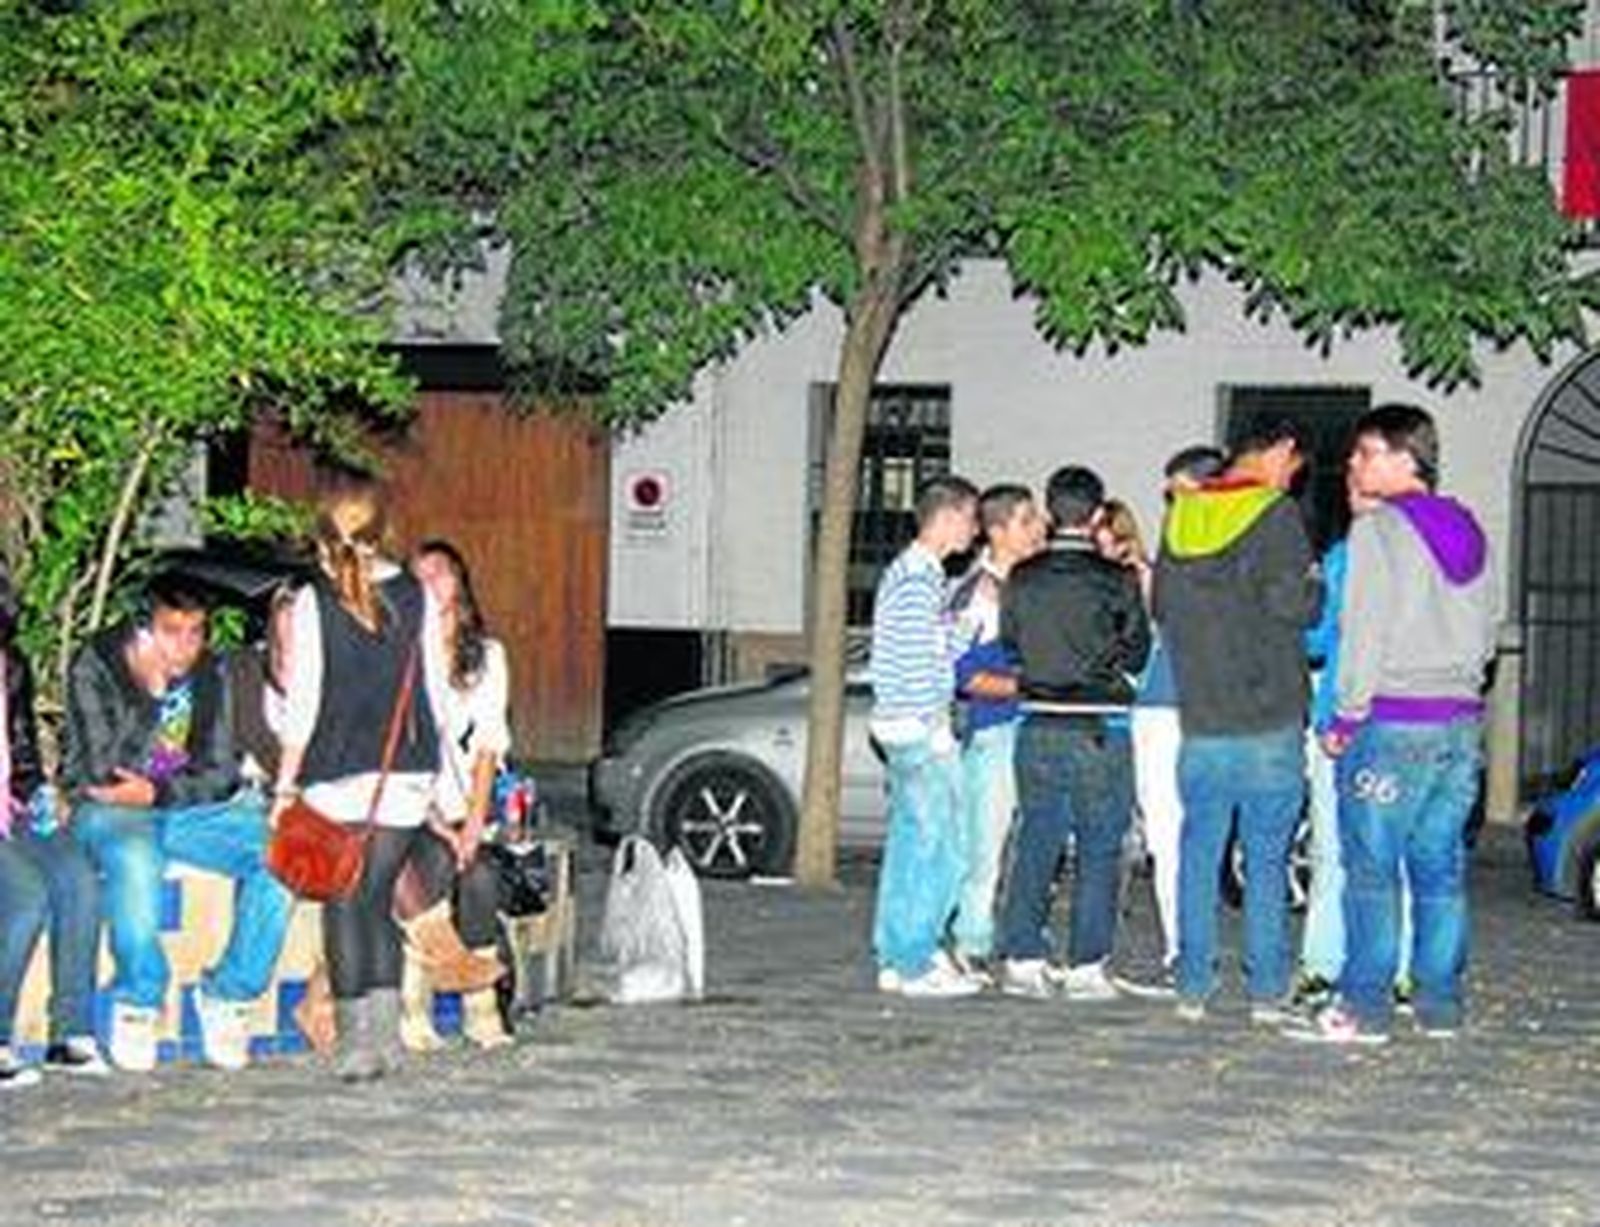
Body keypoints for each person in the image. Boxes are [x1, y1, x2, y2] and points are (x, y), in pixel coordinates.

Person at [1294, 404, 1494, 1045]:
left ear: (1407, 458)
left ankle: (1365, 1007)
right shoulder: (1470, 529)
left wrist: (1346, 718)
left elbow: (1364, 634)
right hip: (1460, 724)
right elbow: (1488, 635)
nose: (1352, 464)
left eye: (1366, 452)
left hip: (1392, 723)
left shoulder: (1379, 533)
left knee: (1372, 872)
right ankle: (1439, 1004)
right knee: (1439, 869)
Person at [67, 573, 292, 1072]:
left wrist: (160, 791)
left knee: (282, 855)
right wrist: (151, 695)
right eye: (172, 631)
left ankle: (229, 992)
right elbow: (99, 771)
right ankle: (139, 1001)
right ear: (143, 628)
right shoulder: (98, 662)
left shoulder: (212, 671)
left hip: (179, 808)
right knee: (136, 855)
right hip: (110, 812)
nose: (186, 647)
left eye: (196, 632)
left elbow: (218, 772)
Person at [271, 484, 450, 1080]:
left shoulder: (311, 603)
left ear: (323, 537)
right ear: (383, 533)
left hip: (337, 771)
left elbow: (304, 704)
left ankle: (357, 1046)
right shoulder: (416, 595)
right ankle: (388, 1037)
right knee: (375, 900)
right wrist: (439, 785)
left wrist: (284, 789)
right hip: (406, 770)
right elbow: (437, 692)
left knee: (345, 905)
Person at [1154, 419, 1322, 1025]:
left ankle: (1194, 984)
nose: (1292, 478)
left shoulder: (1183, 516)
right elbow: (1298, 605)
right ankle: (1267, 989)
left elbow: (1162, 607)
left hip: (1201, 720)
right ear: (1279, 449)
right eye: (1294, 466)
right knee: (1267, 859)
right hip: (1269, 716)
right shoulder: (1276, 516)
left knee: (1199, 852)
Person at [995, 466, 1150, 1000]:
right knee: (1100, 844)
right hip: (1098, 723)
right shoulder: (1117, 578)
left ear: (1050, 508)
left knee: (1037, 838)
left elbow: (1011, 644)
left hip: (1037, 720)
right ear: (1096, 512)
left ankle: (1022, 957)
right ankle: (1086, 965)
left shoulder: (1022, 577)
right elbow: (1138, 650)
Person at [870, 474, 983, 999]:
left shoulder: (917, 574)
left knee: (912, 844)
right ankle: (915, 960)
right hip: (919, 727)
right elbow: (918, 667)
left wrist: (963, 626)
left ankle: (898, 954)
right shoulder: (918, 579)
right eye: (971, 517)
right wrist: (935, 726)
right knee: (944, 847)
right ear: (948, 517)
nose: (975, 529)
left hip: (902, 724)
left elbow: (930, 652)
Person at [401, 539, 514, 1051]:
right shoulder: (399, 656)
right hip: (411, 808)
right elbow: (398, 749)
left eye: (439, 572)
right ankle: (412, 1005)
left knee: (483, 873)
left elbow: (490, 745)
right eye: (417, 575)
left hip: (465, 805)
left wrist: (472, 822)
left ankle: (480, 1007)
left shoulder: (488, 657)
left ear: (460, 582)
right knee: (436, 865)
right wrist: (440, 825)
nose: (429, 582)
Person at [0, 573, 105, 1087]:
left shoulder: (10, 666)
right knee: (25, 896)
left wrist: (40, 793)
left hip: (8, 809)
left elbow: (18, 753)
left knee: (78, 876)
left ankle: (71, 1033)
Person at [1127, 448, 1225, 984]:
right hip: (1210, 706)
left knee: (1171, 832)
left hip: (1172, 705)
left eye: (1175, 492)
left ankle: (1186, 954)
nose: (1169, 504)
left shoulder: (1193, 541)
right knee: (1192, 832)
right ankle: (1189, 949)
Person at [944, 484, 1045, 975]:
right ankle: (970, 942)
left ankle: (1005, 936)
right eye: (1028, 521)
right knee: (983, 846)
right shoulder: (980, 594)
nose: (1039, 530)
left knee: (1018, 844)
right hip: (992, 734)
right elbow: (963, 675)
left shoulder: (1023, 585)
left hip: (1021, 730)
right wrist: (1032, 685)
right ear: (999, 530)